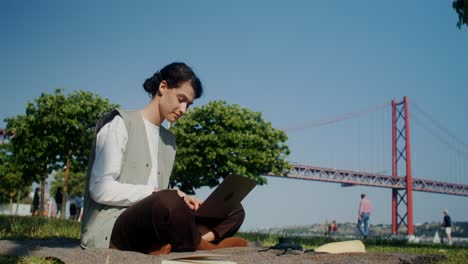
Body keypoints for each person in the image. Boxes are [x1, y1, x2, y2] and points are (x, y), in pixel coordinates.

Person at [80, 62, 247, 255]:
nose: (184, 109)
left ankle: (186, 240)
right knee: (167, 200)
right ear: (163, 87)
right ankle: (199, 244)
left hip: (156, 217)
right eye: (181, 99)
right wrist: (159, 193)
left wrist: (183, 200)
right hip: (115, 226)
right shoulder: (121, 124)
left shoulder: (168, 141)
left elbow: (162, 195)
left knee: (233, 209)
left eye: (189, 104)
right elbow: (100, 188)